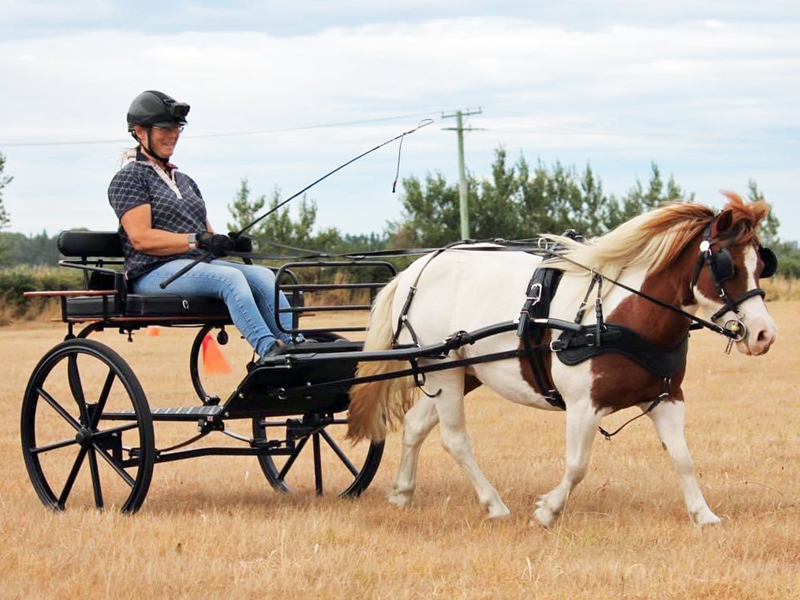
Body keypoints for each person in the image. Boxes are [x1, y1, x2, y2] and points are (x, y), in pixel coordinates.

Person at [108, 90, 297, 359]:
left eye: (176, 128)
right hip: (152, 272)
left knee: (265, 276)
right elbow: (142, 239)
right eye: (164, 128)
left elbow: (205, 235)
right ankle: (269, 350)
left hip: (195, 266)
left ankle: (295, 345)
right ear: (140, 132)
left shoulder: (185, 180)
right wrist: (197, 240)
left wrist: (225, 243)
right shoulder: (130, 178)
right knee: (230, 278)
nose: (172, 134)